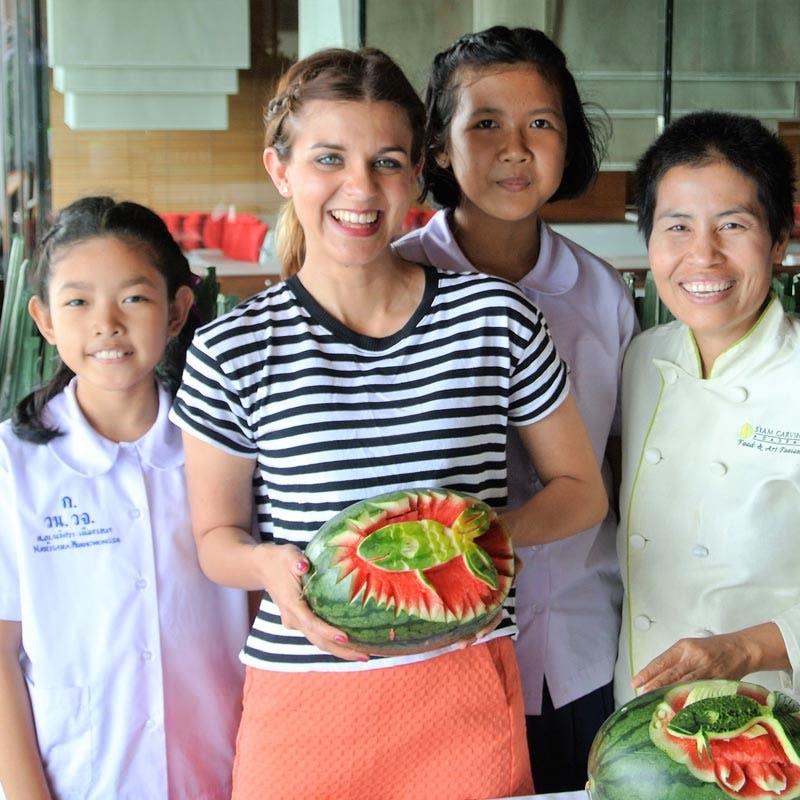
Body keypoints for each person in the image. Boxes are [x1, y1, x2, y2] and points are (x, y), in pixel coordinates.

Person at [170, 46, 608, 800]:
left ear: (415, 176)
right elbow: (216, 542)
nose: (359, 189)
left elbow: (581, 491)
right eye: (329, 159)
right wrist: (270, 568)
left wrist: (476, 540)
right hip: (304, 702)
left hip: (466, 690)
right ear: (281, 169)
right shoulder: (228, 347)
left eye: (386, 162)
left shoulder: (494, 318)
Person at [393, 26, 637, 792]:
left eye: (542, 123)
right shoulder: (394, 282)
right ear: (437, 147)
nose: (516, 149)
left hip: (579, 647)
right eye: (486, 123)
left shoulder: (601, 294)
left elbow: (623, 458)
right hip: (435, 648)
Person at [0, 196, 249, 800]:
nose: (106, 323)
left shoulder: (222, 448)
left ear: (176, 311)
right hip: (82, 778)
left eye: (134, 297)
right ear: (45, 319)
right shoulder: (13, 464)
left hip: (227, 771)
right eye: (78, 301)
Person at [614, 110, 800, 706]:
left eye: (732, 225)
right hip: (639, 718)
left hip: (777, 717)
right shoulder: (641, 361)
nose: (703, 256)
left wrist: (744, 649)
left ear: (778, 241)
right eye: (677, 227)